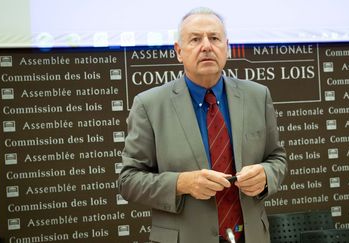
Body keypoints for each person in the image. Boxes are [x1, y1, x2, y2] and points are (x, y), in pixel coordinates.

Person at [118, 7, 287, 243]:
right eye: (195, 39)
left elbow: (277, 158)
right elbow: (129, 181)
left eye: (214, 38)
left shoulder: (258, 96)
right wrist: (181, 183)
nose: (206, 46)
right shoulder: (149, 105)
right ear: (179, 51)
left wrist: (266, 175)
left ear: (226, 46)